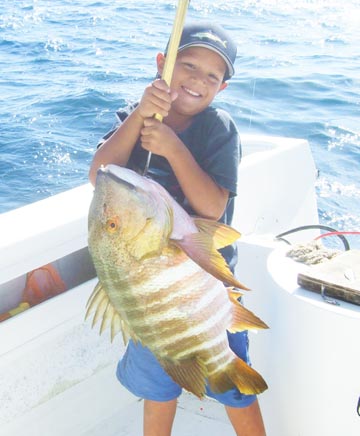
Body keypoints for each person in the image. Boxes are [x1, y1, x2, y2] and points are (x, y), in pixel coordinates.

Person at [89, 21, 266, 436]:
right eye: (187, 65)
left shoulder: (218, 129)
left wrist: (171, 145)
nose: (197, 80)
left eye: (212, 75)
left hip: (207, 294)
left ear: (221, 88)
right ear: (162, 65)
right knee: (158, 387)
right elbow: (101, 174)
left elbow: (213, 207)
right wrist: (139, 114)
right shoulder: (136, 116)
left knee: (234, 384)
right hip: (154, 302)